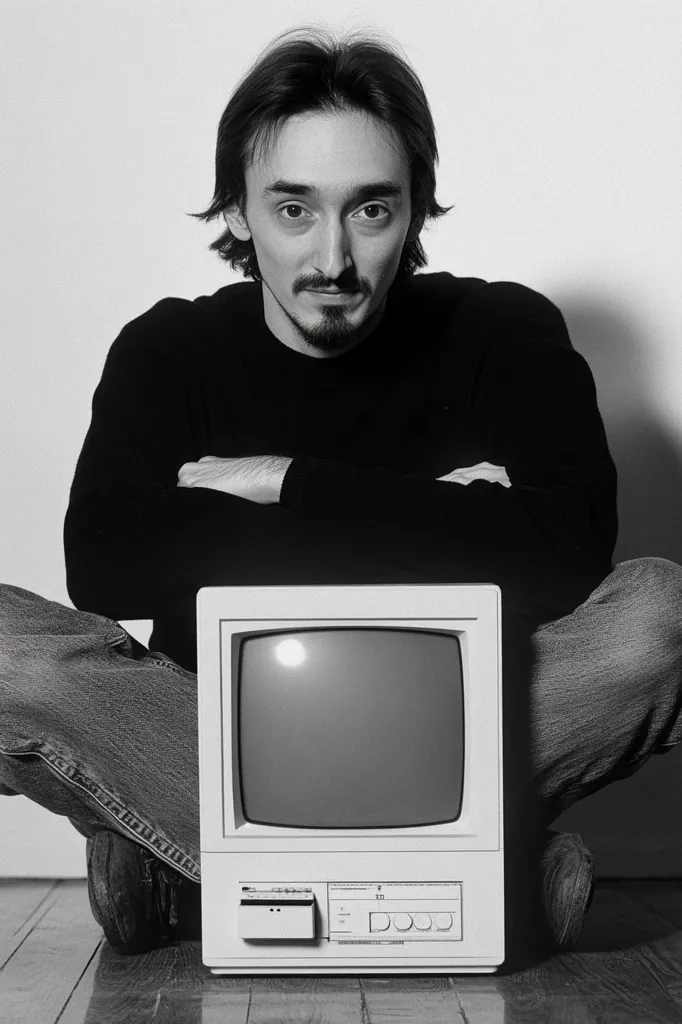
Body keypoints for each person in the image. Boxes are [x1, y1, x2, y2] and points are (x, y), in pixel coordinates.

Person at [2, 26, 681, 962]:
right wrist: (437, 512)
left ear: (414, 211)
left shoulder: (502, 330)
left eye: (370, 211)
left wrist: (281, 484)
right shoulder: (169, 351)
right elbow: (107, 561)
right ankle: (486, 874)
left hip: (461, 729)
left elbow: (568, 550)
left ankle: (183, 864)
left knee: (659, 615)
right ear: (237, 212)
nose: (332, 260)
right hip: (214, 740)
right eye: (293, 210)